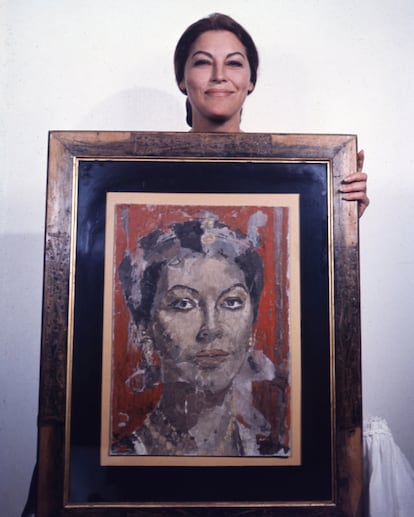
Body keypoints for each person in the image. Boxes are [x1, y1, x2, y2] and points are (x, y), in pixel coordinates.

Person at [116, 211, 288, 457]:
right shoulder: (121, 459)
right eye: (183, 304)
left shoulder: (275, 459)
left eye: (231, 302)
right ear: (145, 330)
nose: (211, 328)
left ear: (251, 325)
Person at [174, 12, 369, 217]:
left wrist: (342, 215)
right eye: (203, 62)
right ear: (181, 79)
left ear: (251, 81)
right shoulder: (152, 168)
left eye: (234, 63)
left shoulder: (291, 172)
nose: (219, 75)